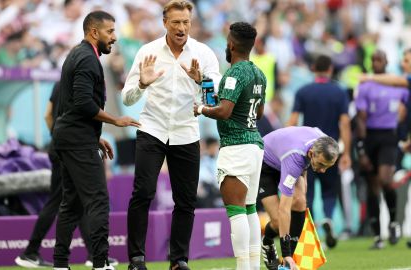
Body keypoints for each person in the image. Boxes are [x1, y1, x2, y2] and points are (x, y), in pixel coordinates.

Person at [121, 1, 220, 269]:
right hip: (152, 129)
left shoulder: (204, 53)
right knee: (142, 193)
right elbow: (127, 98)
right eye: (176, 22)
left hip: (186, 133)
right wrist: (142, 83)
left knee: (186, 200)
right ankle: (136, 258)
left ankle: (178, 260)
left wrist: (203, 82)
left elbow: (213, 101)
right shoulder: (148, 51)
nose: (181, 27)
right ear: (165, 22)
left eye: (186, 22)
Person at [52, 11, 140, 270]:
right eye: (110, 31)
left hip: (71, 137)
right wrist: (115, 121)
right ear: (94, 32)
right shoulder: (88, 59)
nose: (114, 37)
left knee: (72, 204)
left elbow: (69, 106)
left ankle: (59, 264)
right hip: (76, 140)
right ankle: (101, 263)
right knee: (98, 200)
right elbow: (82, 104)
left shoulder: (77, 54)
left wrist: (96, 136)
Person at [15, 82, 118, 268]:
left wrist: (56, 136)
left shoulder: (60, 84)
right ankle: (30, 251)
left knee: (75, 201)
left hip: (62, 144)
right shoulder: (82, 87)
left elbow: (48, 115)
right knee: (60, 201)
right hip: (70, 147)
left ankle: (91, 254)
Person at [193, 22, 266, 270]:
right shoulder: (259, 73)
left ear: (231, 44)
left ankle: (243, 267)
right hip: (255, 145)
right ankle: (253, 266)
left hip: (236, 147)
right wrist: (204, 87)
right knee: (250, 209)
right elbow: (260, 113)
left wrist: (201, 109)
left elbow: (224, 112)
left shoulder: (235, 73)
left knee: (236, 211)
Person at [287, 55, 351, 248]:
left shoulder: (303, 91)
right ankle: (329, 219)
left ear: (313, 68)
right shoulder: (339, 92)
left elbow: (293, 121)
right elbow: (345, 123)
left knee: (308, 193)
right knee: (330, 191)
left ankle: (313, 233)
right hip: (331, 151)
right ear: (330, 69)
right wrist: (346, 153)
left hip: (309, 152)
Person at [258, 126, 339, 270]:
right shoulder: (295, 158)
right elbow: (284, 208)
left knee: (301, 200)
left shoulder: (325, 141)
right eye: (321, 165)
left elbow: (306, 164)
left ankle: (292, 261)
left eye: (327, 167)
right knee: (278, 222)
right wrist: (286, 253)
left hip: (287, 155)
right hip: (265, 164)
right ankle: (268, 240)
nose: (322, 170)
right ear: (311, 153)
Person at [355, 50, 408, 249]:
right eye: (374, 60)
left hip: (389, 137)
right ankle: (378, 237)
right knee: (372, 188)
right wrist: (361, 148)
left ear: (386, 62)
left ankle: (393, 222)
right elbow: (361, 116)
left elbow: (405, 110)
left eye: (380, 59)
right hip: (370, 137)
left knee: (385, 180)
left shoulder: (398, 85)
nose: (376, 62)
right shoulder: (366, 86)